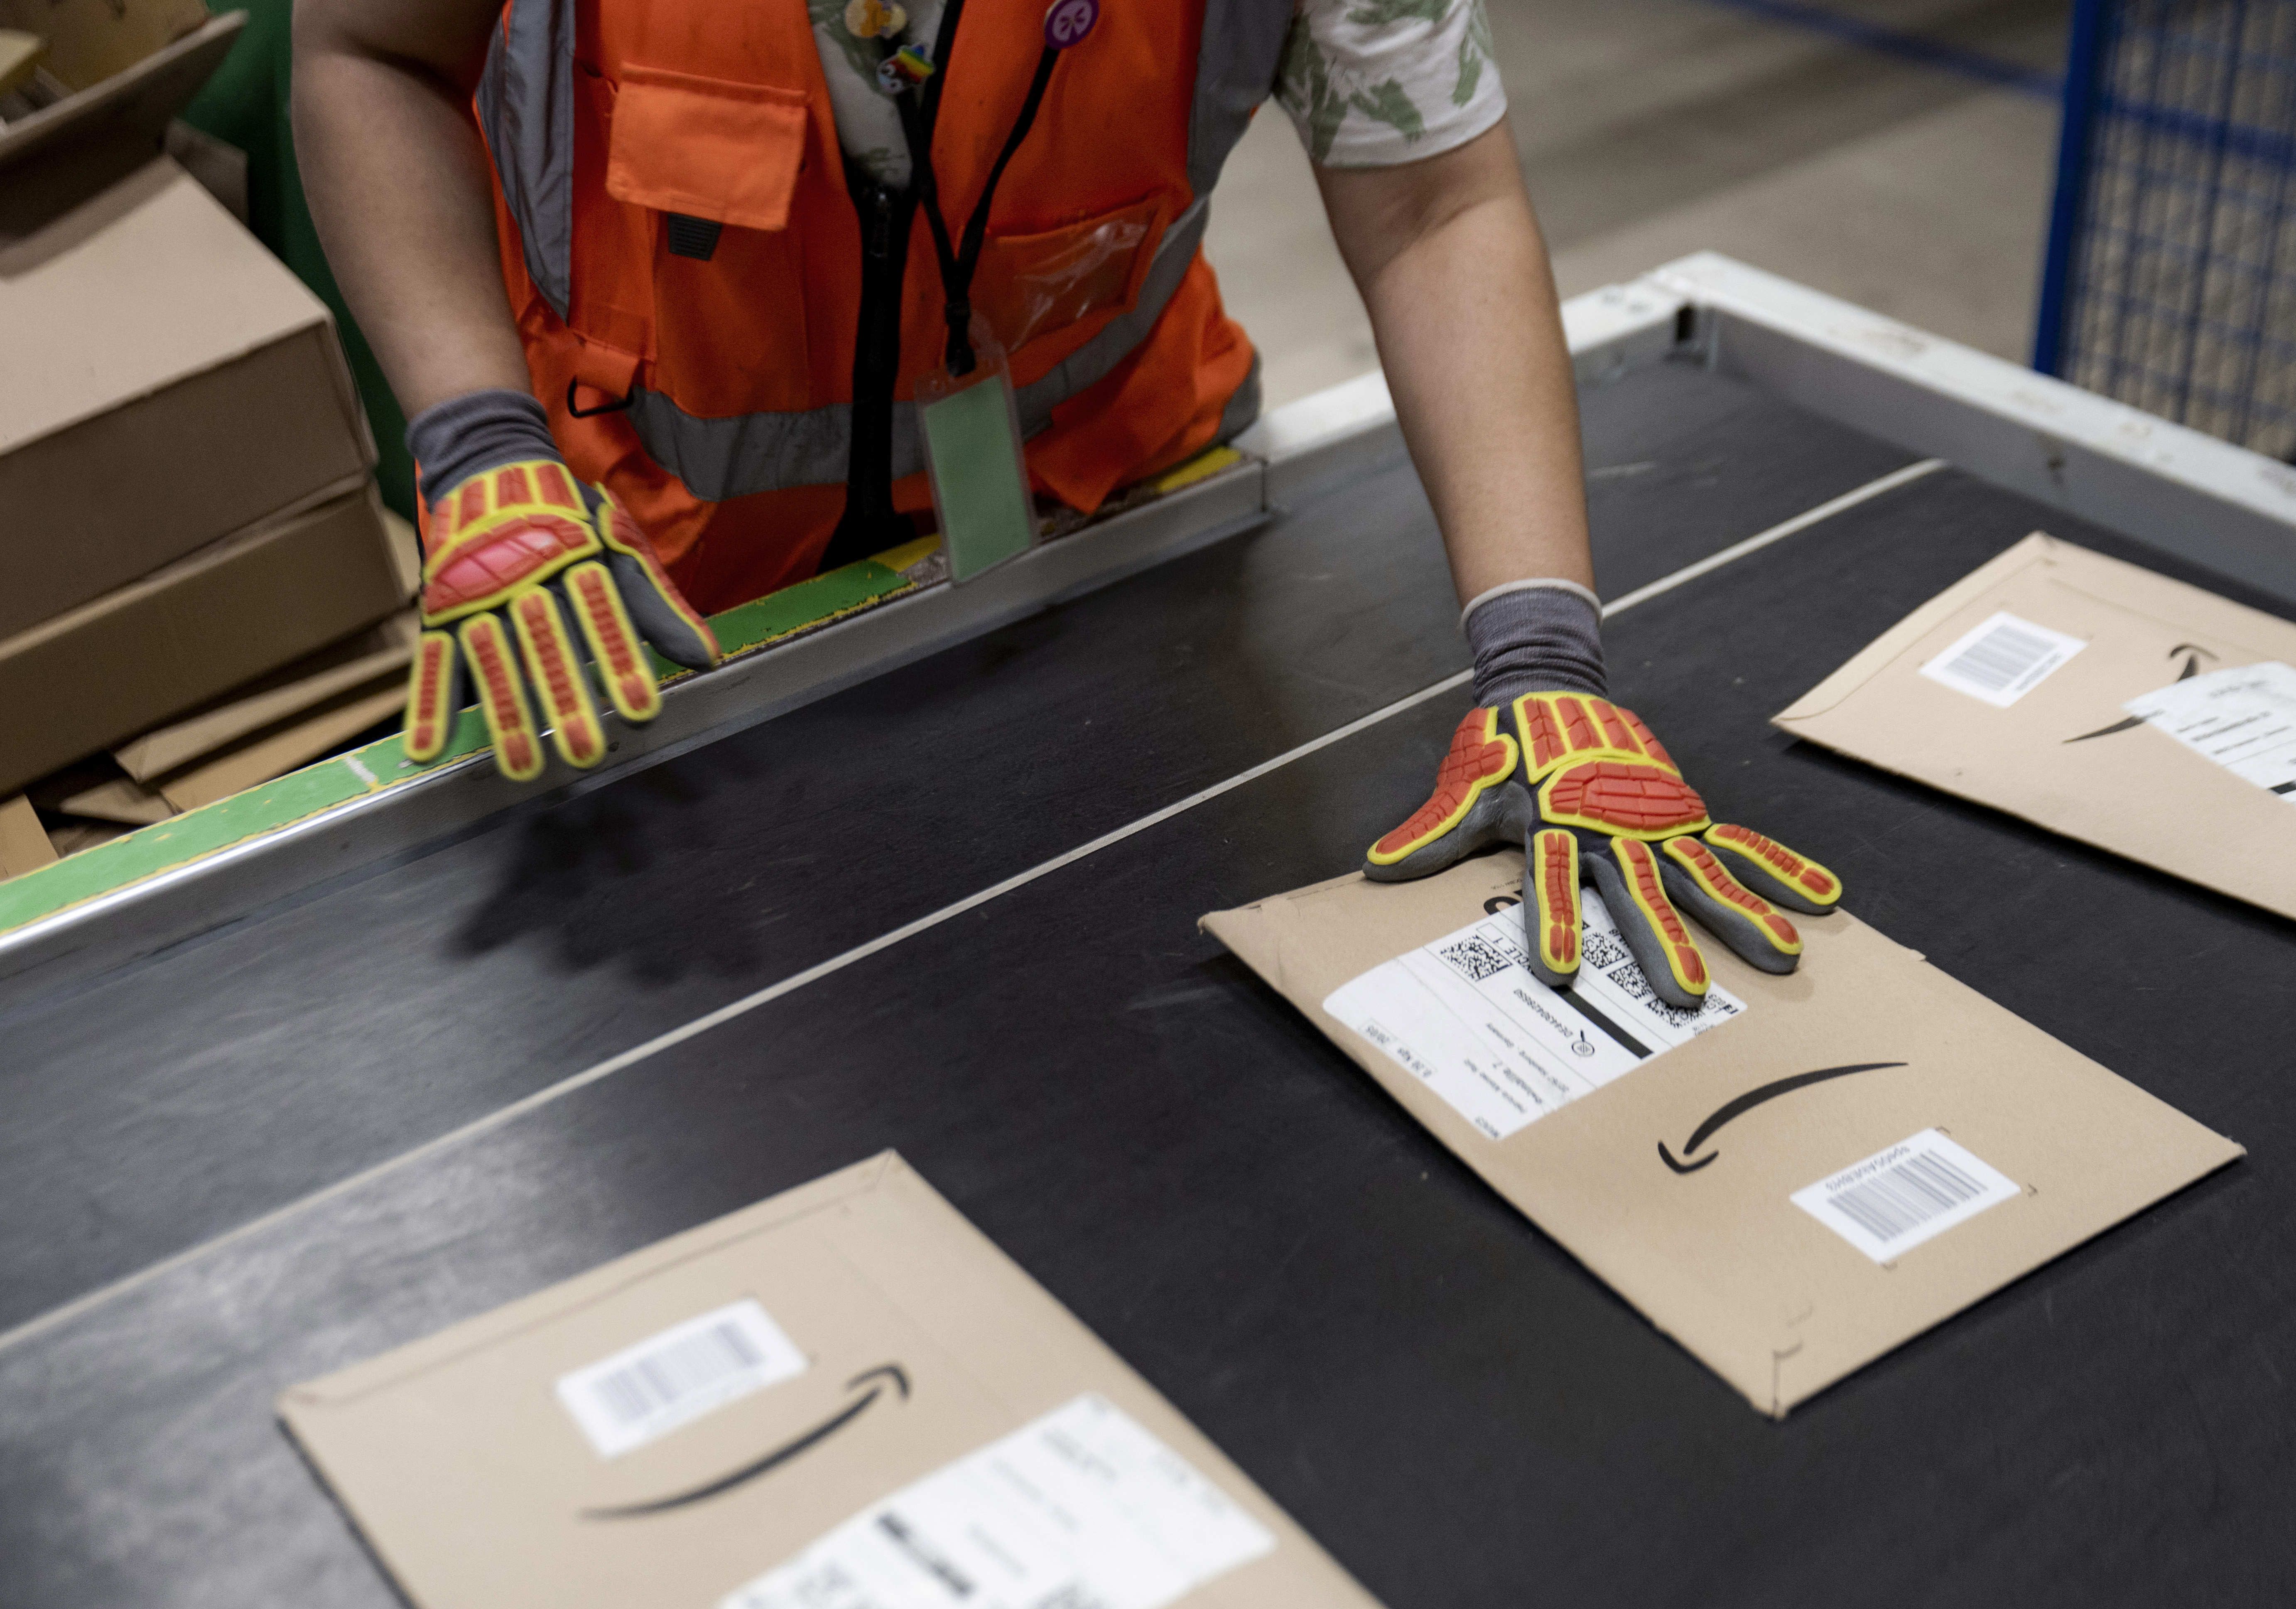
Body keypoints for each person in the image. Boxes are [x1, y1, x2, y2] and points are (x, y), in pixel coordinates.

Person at [292, 0, 1842, 1006]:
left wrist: (1541, 655)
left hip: (1123, 535)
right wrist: (478, 436)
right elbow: (368, 57)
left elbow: (1435, 202)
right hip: (658, 613)